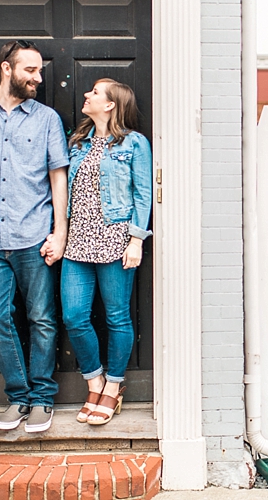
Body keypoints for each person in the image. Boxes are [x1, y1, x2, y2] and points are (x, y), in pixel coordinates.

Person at [0, 40, 69, 433]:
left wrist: (60, 233)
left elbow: (59, 179)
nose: (38, 78)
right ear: (7, 69)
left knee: (42, 318)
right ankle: (18, 396)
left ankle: (42, 398)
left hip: (34, 237)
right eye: (30, 70)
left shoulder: (47, 120)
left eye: (39, 71)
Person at [56, 78, 152, 426]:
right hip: (77, 242)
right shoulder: (77, 143)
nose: (87, 95)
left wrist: (137, 240)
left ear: (111, 104)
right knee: (74, 316)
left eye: (95, 93)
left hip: (115, 240)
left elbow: (143, 194)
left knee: (117, 318)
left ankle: (112, 387)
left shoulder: (134, 144)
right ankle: (94, 381)